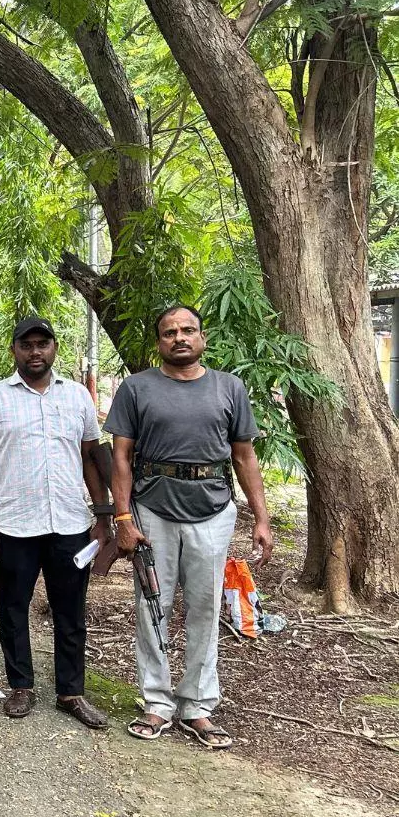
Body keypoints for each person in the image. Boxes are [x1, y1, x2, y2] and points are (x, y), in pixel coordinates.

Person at [106, 306, 272, 749]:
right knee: (152, 605)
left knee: (203, 607)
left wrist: (261, 517)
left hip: (213, 510)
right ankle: (157, 702)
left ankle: (197, 705)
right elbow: (121, 457)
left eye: (187, 330)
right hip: (153, 509)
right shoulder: (137, 388)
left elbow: (243, 457)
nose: (179, 338)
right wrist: (122, 517)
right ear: (159, 341)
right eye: (169, 332)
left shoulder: (229, 388)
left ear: (201, 336)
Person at [0, 317, 112, 728]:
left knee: (71, 611)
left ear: (54, 349)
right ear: (14, 350)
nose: (35, 352)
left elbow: (89, 458)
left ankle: (71, 692)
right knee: (13, 607)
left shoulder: (77, 397)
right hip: (13, 524)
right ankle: (22, 686)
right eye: (26, 344)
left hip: (69, 523)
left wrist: (102, 517)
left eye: (42, 344)